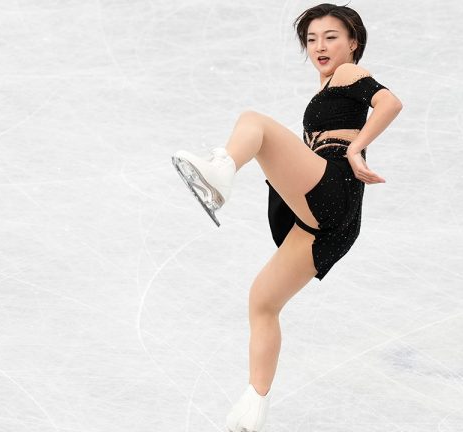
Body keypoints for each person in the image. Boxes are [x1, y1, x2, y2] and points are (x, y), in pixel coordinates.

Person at [171, 3, 402, 431]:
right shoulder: (326, 89)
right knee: (262, 302)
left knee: (252, 122)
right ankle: (254, 407)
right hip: (334, 218)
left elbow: (389, 103)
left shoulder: (349, 73)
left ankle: (221, 171)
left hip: (332, 185)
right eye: (312, 39)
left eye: (331, 37)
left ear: (352, 41)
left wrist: (355, 148)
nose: (320, 46)